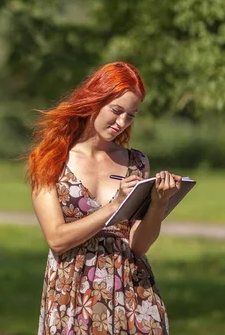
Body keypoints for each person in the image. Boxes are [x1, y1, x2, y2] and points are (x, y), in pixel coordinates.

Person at [26, 61, 182, 335]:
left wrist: (158, 203)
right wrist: (113, 207)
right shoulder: (50, 158)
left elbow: (138, 245)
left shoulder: (136, 162)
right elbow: (57, 239)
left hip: (132, 291)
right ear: (95, 100)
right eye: (117, 111)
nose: (122, 122)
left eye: (131, 116)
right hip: (73, 294)